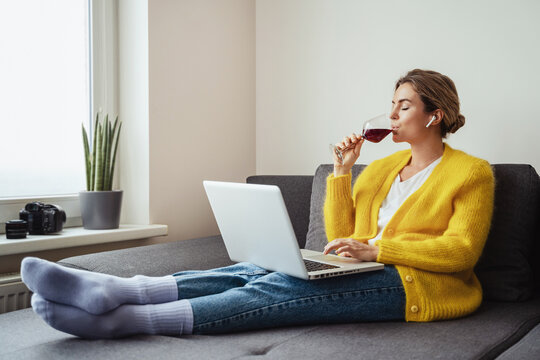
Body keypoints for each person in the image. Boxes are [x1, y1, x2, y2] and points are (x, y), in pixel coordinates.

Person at [21, 69, 494, 339]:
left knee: (277, 291)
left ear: (437, 115)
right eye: (391, 104)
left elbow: (461, 252)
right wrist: (344, 172)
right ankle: (117, 289)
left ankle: (127, 320)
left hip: (417, 286)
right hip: (367, 268)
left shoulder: (470, 172)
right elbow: (338, 233)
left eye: (404, 106)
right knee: (254, 271)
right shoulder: (383, 167)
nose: (390, 115)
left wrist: (375, 252)